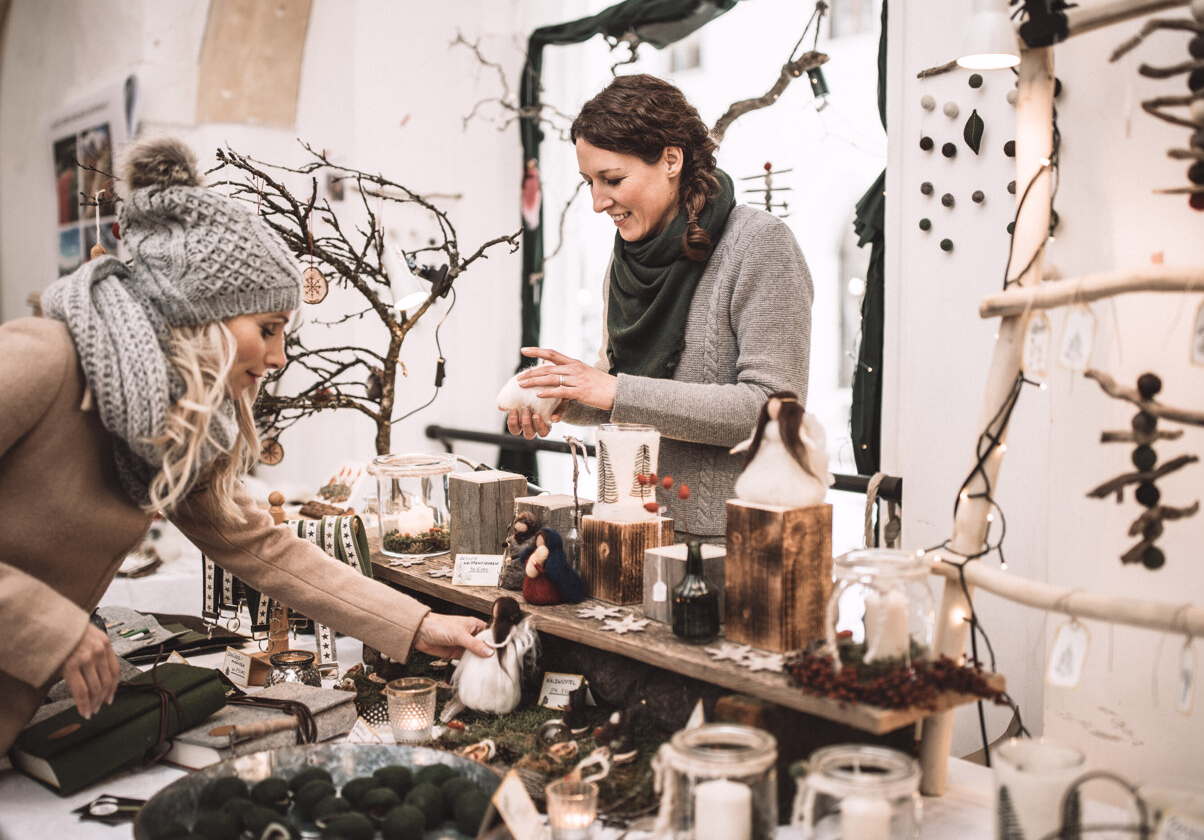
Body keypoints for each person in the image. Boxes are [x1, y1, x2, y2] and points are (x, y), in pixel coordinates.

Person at [0, 136, 491, 756]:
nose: (279, 357)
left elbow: (261, 547)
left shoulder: (182, 427)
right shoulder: (43, 359)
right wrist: (52, 627)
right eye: (268, 328)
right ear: (200, 314)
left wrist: (419, 625)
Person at [505, 74, 813, 540]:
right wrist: (567, 394)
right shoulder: (627, 260)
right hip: (630, 527)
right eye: (589, 182)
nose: (597, 202)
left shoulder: (760, 244)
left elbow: (771, 410)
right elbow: (626, 389)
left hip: (731, 543)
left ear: (671, 159)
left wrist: (609, 389)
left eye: (612, 179)